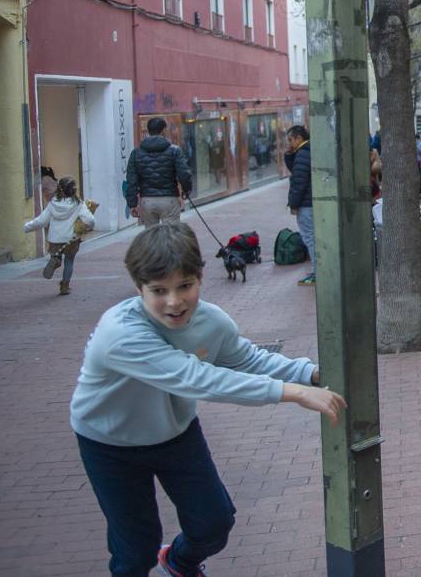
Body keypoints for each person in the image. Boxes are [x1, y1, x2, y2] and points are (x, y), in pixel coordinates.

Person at [70, 222, 345, 577]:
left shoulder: (211, 321)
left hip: (174, 433)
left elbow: (247, 358)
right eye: (159, 290)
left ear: (200, 278)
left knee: (214, 524)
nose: (174, 301)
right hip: (109, 444)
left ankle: (179, 562)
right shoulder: (120, 334)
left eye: (185, 286)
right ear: (138, 288)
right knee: (136, 548)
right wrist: (292, 393)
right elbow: (196, 378)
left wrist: (309, 374)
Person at [25, 176, 96, 296]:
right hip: (71, 239)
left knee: (57, 255)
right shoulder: (78, 203)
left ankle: (56, 259)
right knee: (69, 261)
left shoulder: (53, 203)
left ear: (59, 189)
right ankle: (64, 286)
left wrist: (27, 227)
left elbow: (42, 221)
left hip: (55, 239)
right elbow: (89, 220)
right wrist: (89, 226)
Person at [124, 117, 193, 229]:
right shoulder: (174, 150)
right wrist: (186, 191)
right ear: (164, 130)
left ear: (148, 131)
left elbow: (131, 180)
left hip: (147, 201)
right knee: (171, 236)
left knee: (151, 237)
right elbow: (184, 174)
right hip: (169, 199)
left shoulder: (136, 153)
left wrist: (132, 203)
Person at [285, 125, 315, 286]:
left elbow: (299, 182)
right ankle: (318, 270)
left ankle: (317, 272)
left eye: (291, 140)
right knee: (312, 237)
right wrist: (289, 155)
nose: (289, 143)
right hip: (310, 202)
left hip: (306, 204)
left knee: (309, 237)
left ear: (299, 138)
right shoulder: (305, 152)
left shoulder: (302, 154)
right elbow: (296, 170)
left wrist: (293, 204)